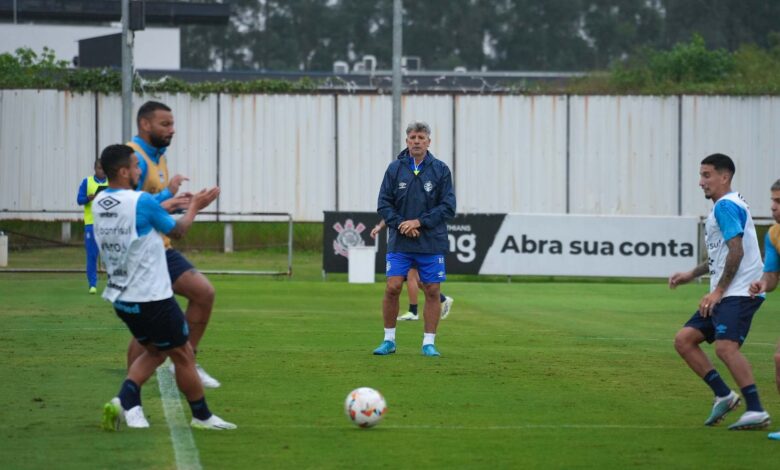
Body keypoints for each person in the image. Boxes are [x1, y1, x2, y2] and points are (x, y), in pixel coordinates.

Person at [94, 144, 234, 431]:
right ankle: (202, 416)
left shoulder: (99, 202)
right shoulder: (141, 201)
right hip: (152, 297)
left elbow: (142, 211)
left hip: (122, 298)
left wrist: (167, 198)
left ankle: (124, 402)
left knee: (155, 352)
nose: (138, 171)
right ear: (123, 171)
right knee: (182, 355)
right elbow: (178, 231)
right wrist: (194, 206)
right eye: (135, 166)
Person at [669, 153, 769, 430]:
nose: (701, 182)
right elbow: (722, 254)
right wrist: (692, 273)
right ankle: (724, 395)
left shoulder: (725, 206)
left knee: (726, 347)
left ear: (724, 177)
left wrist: (718, 291)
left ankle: (756, 410)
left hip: (739, 292)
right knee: (684, 340)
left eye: (707, 175)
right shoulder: (725, 206)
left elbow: (736, 251)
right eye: (701, 175)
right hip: (728, 291)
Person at [125, 100, 221, 389]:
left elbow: (152, 206)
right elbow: (127, 207)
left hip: (160, 247)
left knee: (202, 294)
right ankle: (132, 388)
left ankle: (186, 360)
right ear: (145, 124)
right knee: (151, 319)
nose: (172, 130)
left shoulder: (158, 157)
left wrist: (174, 200)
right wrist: (175, 204)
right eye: (165, 124)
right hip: (140, 251)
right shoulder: (134, 158)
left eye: (172, 124)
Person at [373, 121, 456, 357]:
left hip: (430, 240)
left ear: (429, 141)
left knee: (431, 290)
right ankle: (389, 340)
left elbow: (448, 207)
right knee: (393, 287)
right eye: (412, 137)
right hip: (400, 241)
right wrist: (401, 224)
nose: (417, 141)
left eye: (421, 137)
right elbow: (383, 204)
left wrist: (419, 222)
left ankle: (428, 343)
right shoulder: (394, 169)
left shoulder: (440, 170)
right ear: (407, 141)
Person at [371, 219, 454, 320]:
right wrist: (379, 226)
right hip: (407, 243)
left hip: (418, 241)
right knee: (416, 279)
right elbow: (391, 213)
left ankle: (413, 311)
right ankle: (441, 298)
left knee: (412, 276)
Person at [748, 179, 780, 439]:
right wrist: (762, 283)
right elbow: (772, 277)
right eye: (773, 201)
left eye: (778, 202)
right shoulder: (773, 234)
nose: (773, 207)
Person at [75, 160, 108, 294]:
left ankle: (114, 283)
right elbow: (79, 200)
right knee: (92, 255)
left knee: (111, 255)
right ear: (95, 168)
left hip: (108, 225)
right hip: (91, 224)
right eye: (100, 168)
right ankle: (92, 284)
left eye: (104, 168)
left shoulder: (111, 183)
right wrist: (88, 198)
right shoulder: (87, 182)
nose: (102, 171)